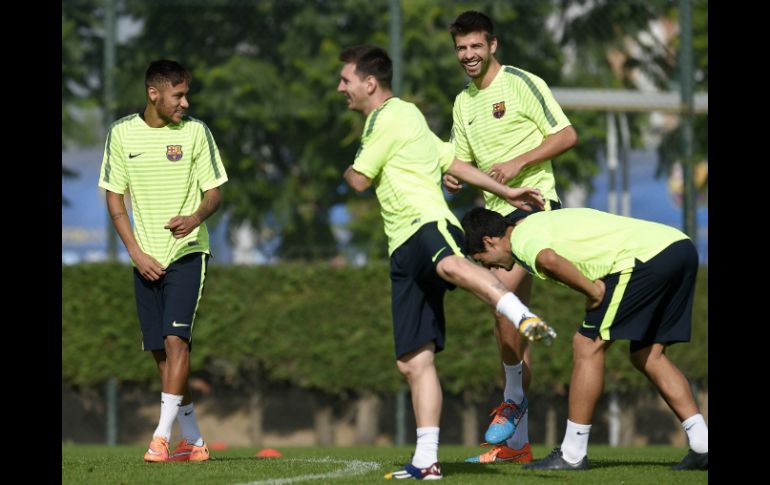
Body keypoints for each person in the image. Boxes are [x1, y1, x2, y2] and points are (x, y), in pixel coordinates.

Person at [337, 44, 557, 480]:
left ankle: (519, 313)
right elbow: (450, 161)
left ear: (369, 83)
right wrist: (510, 193)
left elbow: (359, 179)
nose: (340, 87)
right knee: (412, 362)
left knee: (451, 265)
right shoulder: (408, 118)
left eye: (345, 80)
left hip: (425, 224)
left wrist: (347, 171)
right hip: (401, 247)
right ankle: (427, 460)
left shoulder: (388, 117)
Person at [461, 206, 709, 471]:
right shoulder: (534, 224)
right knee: (648, 355)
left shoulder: (521, 242)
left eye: (482, 259)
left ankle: (572, 453)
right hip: (678, 247)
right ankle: (702, 445)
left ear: (490, 241)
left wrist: (592, 292)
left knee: (586, 345)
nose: (489, 267)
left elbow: (548, 259)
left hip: (644, 260)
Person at [443, 10, 579, 464]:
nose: (468, 55)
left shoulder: (522, 82)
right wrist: (454, 180)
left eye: (476, 46)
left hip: (532, 210)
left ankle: (514, 400)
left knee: (502, 299)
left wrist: (521, 162)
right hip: (491, 223)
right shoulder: (463, 103)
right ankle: (518, 443)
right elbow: (462, 161)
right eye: (462, 48)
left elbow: (567, 134)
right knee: (505, 316)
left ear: (493, 45)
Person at [98, 59, 228, 463]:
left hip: (187, 253)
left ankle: (160, 437)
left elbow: (214, 191)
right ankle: (194, 440)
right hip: (145, 258)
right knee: (160, 350)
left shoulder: (195, 133)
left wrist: (194, 218)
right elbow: (114, 196)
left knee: (177, 341)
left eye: (186, 93)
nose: (185, 102)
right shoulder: (121, 133)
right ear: (154, 93)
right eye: (178, 94)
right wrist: (135, 252)